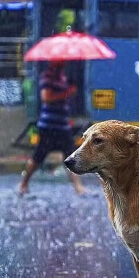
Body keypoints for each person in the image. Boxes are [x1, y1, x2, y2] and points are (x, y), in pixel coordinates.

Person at [18, 61, 85, 195]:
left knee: (71, 156)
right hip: (49, 126)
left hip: (63, 125)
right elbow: (46, 97)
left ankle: (79, 188)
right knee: (38, 157)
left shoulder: (62, 78)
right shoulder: (47, 77)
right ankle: (23, 184)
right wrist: (67, 93)